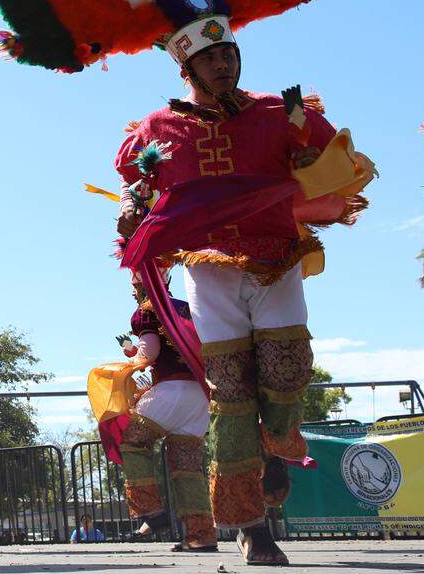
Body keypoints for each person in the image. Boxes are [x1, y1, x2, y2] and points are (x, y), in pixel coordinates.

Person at [117, 32, 372, 563]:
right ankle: (250, 525)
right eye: (208, 58)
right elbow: (138, 182)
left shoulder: (281, 110)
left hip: (276, 255)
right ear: (186, 67)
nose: (222, 64)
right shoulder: (159, 127)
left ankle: (274, 443)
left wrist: (311, 158)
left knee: (287, 371)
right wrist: (133, 207)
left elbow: (330, 158)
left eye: (228, 53)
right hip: (207, 267)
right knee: (230, 394)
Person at [114, 286, 217, 552]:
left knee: (133, 443)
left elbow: (149, 353)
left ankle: (151, 511)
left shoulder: (148, 309)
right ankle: (201, 535)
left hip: (171, 391)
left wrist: (132, 357)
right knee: (188, 469)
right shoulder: (190, 307)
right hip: (200, 396)